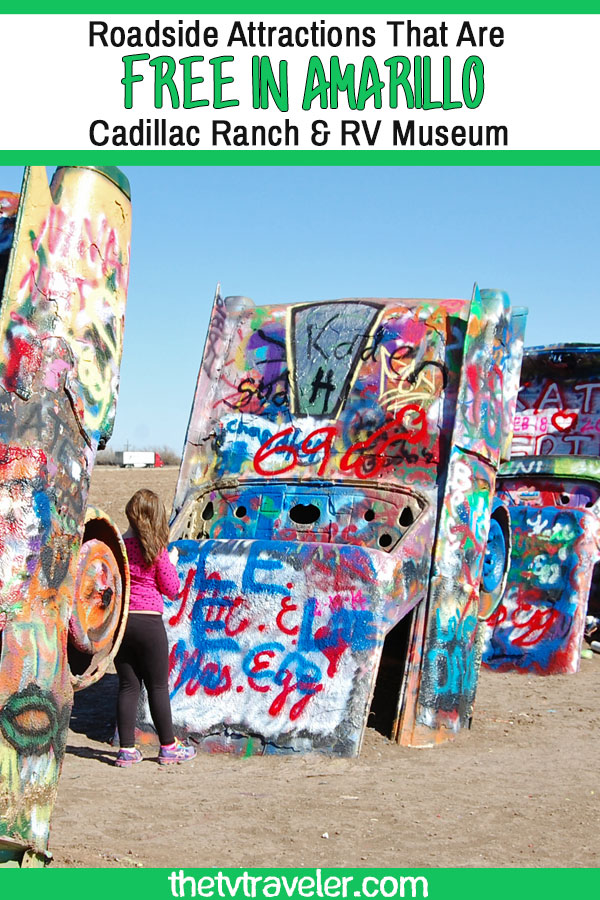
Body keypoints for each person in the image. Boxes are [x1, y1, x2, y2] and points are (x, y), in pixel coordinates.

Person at [114, 488, 196, 767]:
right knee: (158, 686)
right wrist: (172, 563)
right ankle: (168, 746)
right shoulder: (156, 549)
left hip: (123, 623)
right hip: (149, 622)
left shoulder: (119, 547)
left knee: (127, 686)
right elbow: (172, 589)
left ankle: (126, 750)